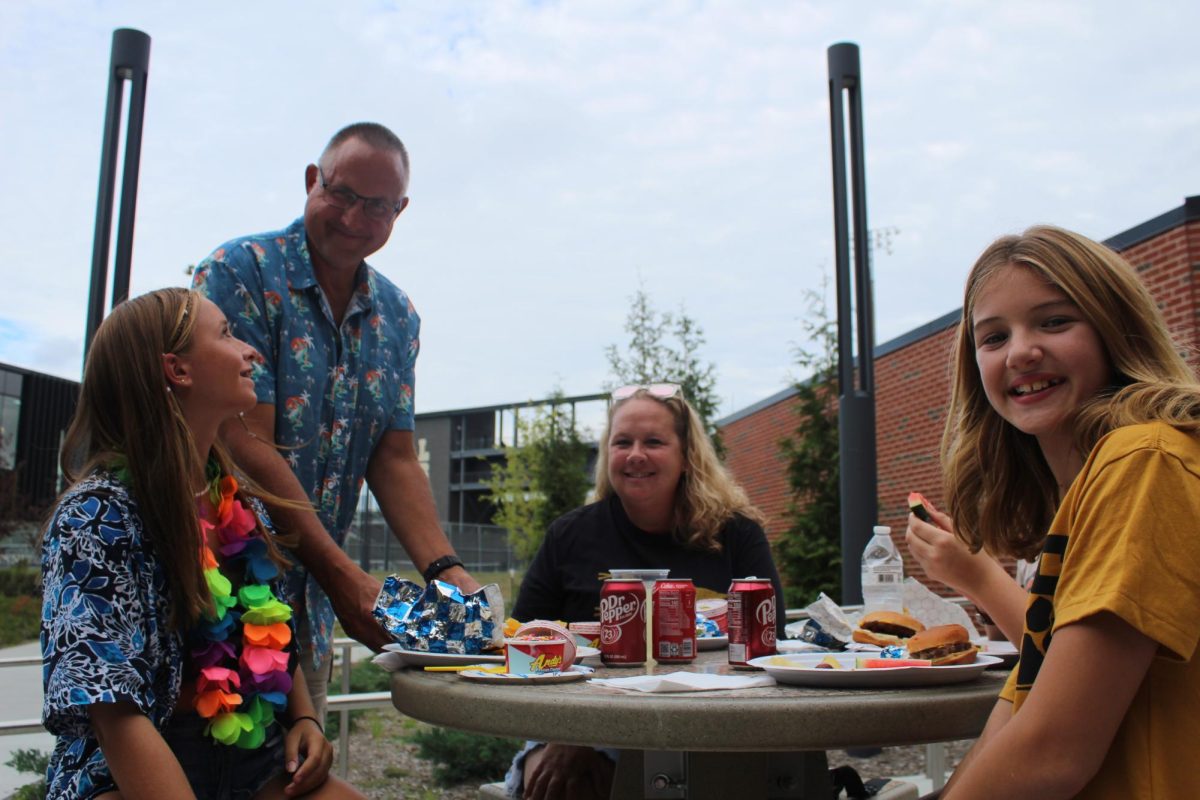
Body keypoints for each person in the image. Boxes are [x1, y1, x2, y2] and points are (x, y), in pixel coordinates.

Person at [192, 122, 479, 720]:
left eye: (376, 205)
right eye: (341, 193)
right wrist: (344, 576)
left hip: (312, 616)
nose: (354, 218)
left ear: (399, 211)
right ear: (310, 181)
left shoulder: (398, 316)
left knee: (304, 770)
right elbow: (242, 437)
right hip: (216, 602)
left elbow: (394, 456)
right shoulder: (238, 271)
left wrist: (449, 575)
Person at [40, 288, 365, 799]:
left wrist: (304, 716)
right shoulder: (96, 515)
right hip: (132, 771)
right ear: (178, 370)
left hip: (251, 762)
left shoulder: (235, 501)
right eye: (227, 334)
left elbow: (271, 623)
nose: (249, 351)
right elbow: (111, 709)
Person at [928, 226, 1200, 799]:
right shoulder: (1092, 484)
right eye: (994, 336)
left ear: (1115, 329)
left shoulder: (1145, 462)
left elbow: (1052, 755)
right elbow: (1023, 710)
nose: (1022, 351)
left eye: (1054, 321)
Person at [507, 384, 785, 800]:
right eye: (623, 442)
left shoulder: (737, 533)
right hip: (580, 720)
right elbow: (524, 644)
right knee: (569, 782)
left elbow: (771, 640)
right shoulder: (570, 534)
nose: (636, 454)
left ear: (687, 455)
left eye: (653, 441)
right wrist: (570, 732)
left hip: (715, 719)